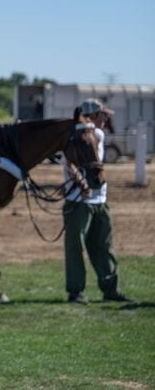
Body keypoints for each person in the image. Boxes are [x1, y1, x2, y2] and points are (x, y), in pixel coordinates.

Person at [62, 98, 132, 305]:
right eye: (103, 115)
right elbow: (69, 162)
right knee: (84, 246)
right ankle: (80, 291)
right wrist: (81, 182)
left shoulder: (96, 134)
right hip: (80, 200)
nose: (106, 119)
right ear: (92, 116)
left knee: (98, 245)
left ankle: (105, 289)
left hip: (96, 199)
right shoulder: (83, 135)